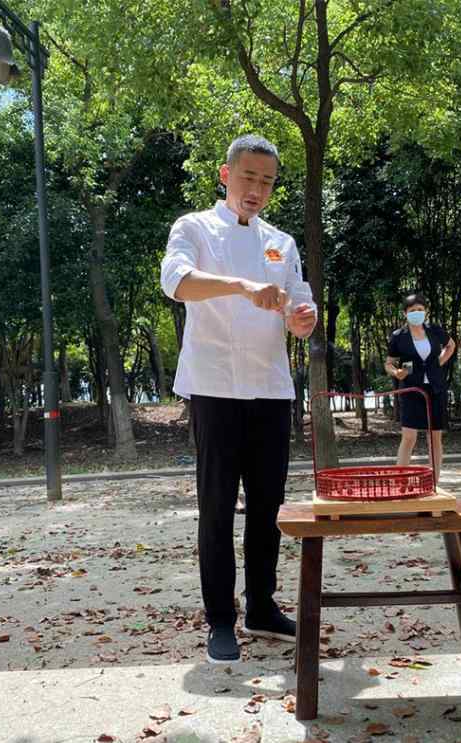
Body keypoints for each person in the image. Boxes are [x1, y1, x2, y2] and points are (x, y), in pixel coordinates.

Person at [159, 134, 318, 663]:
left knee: (268, 506)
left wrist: (303, 319)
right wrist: (242, 287)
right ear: (226, 175)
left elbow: (301, 309)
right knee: (218, 506)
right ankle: (220, 619)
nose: (257, 188)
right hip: (215, 388)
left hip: (271, 388)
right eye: (248, 177)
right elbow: (177, 282)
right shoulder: (194, 227)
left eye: (267, 181)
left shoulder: (281, 242)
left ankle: (262, 606)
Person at [384, 293, 455, 480]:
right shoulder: (398, 337)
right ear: (405, 313)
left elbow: (451, 346)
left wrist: (438, 363)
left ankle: (434, 481)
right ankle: (399, 481)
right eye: (412, 310)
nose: (417, 313)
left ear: (426, 312)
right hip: (411, 389)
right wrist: (396, 372)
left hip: (435, 388)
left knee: (435, 438)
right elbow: (389, 363)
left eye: (420, 310)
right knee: (409, 437)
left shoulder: (434, 330)